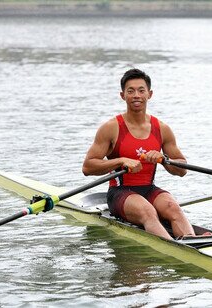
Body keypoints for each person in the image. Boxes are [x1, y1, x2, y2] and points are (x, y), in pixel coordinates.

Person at [82, 68, 195, 240]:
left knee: (173, 207)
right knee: (147, 211)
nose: (136, 95)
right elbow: (88, 167)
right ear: (122, 95)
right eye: (131, 91)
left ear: (149, 94)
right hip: (120, 192)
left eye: (141, 90)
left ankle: (192, 243)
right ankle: (174, 247)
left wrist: (164, 160)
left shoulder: (162, 129)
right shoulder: (111, 128)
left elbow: (182, 169)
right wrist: (120, 161)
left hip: (149, 189)